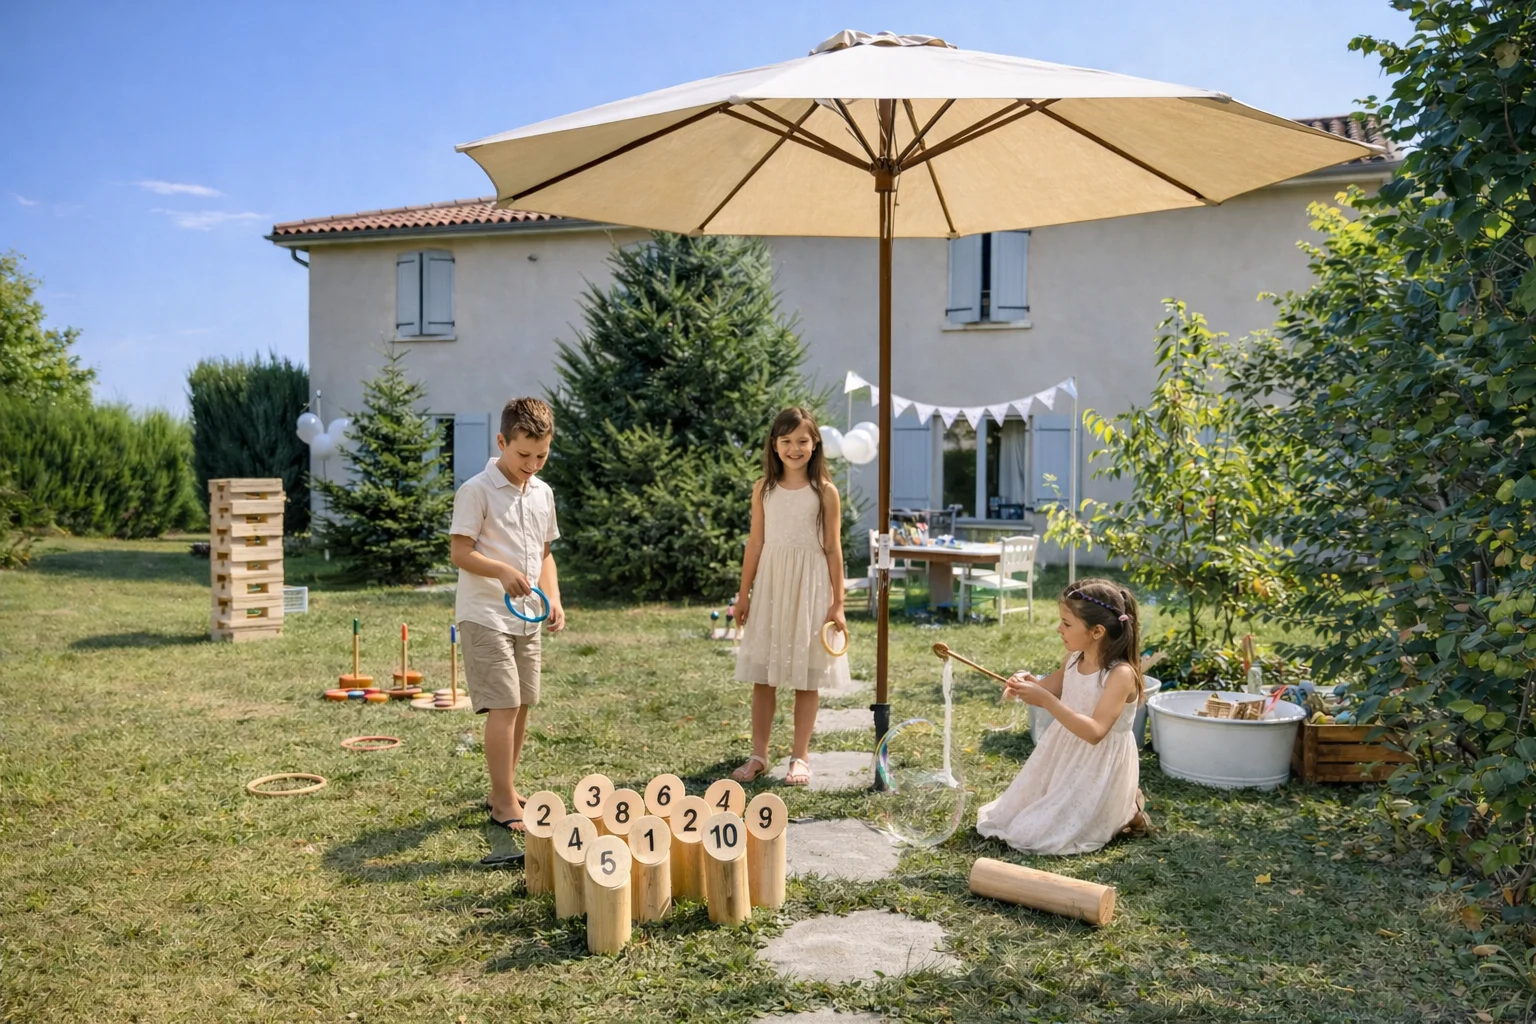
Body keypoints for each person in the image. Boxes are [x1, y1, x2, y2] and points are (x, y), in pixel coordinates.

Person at [449, 397, 565, 832]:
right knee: (504, 704)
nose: (533, 463)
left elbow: (545, 555)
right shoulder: (476, 491)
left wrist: (552, 597)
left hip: (526, 616)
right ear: (502, 441)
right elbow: (461, 552)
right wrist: (501, 571)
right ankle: (501, 802)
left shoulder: (542, 493)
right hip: (485, 615)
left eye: (542, 455)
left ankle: (507, 786)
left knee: (522, 705)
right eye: (523, 455)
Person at [976, 578, 1150, 854]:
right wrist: (1025, 684)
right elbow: (1051, 686)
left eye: (1067, 624)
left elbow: (1095, 732)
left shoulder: (1120, 674)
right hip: (1065, 755)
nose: (1059, 629)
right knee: (1010, 818)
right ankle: (1125, 808)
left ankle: (1126, 808)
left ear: (1097, 631)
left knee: (1034, 835)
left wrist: (1045, 701)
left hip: (1098, 763)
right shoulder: (1073, 659)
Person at [731, 407, 851, 786]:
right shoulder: (763, 489)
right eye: (786, 441)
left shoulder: (825, 493)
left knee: (805, 676)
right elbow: (756, 542)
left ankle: (800, 757)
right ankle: (759, 755)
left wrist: (838, 603)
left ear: (815, 444)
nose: (794, 448)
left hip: (810, 587)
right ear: (775, 445)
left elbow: (833, 548)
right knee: (764, 675)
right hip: (770, 584)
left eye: (802, 440)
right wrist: (744, 593)